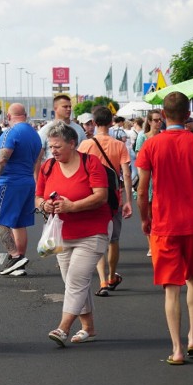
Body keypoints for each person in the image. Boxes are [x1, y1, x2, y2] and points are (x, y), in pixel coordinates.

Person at [136, 91, 193, 365]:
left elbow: (141, 191)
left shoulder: (150, 145)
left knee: (171, 287)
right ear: (187, 115)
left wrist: (145, 218)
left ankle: (177, 349)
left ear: (162, 114)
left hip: (165, 223)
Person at [36, 121, 111, 347]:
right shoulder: (48, 166)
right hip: (62, 234)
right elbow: (38, 196)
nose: (54, 151)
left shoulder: (91, 163)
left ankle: (63, 328)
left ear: (72, 143)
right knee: (73, 282)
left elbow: (101, 196)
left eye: (58, 146)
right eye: (51, 147)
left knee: (77, 280)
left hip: (93, 231)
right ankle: (89, 328)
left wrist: (73, 206)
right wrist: (44, 205)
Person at [77, 106, 133, 297]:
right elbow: (126, 173)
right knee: (114, 239)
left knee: (97, 237)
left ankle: (101, 280)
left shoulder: (85, 145)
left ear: (93, 122)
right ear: (111, 122)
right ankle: (111, 276)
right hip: (113, 197)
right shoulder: (119, 145)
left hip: (92, 197)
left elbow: (80, 172)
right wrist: (128, 201)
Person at [0, 103, 43, 277]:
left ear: (8, 117)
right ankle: (19, 264)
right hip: (26, 182)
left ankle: (15, 256)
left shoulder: (11, 132)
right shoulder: (34, 135)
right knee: (18, 223)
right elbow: (37, 159)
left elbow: (2, 159)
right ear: (25, 115)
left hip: (9, 182)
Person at [135, 110, 163, 256]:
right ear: (150, 121)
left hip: (161, 177)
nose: (158, 123)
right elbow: (140, 160)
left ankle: (157, 242)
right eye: (156, 120)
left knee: (159, 213)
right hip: (147, 177)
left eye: (160, 120)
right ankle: (151, 244)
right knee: (149, 212)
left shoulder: (164, 136)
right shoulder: (142, 136)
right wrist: (143, 179)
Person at [39, 94, 87, 161]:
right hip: (54, 170)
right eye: (65, 107)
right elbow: (38, 157)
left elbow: (85, 152)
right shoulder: (45, 130)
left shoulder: (79, 129)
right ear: (55, 108)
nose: (69, 109)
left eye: (70, 107)